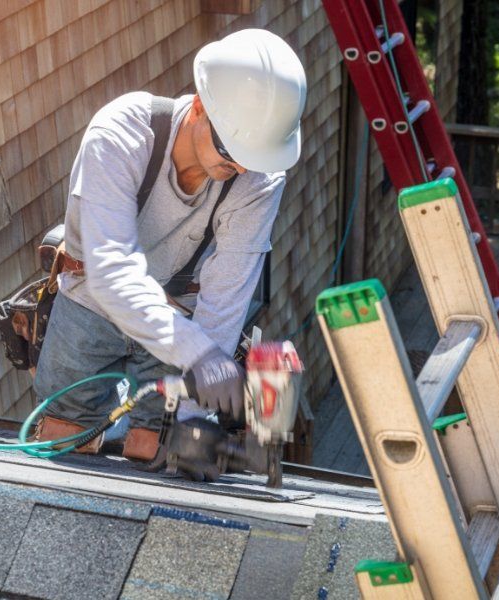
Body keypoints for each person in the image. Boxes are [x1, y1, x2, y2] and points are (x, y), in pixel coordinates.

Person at [32, 29, 307, 461]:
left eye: (251, 159)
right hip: (91, 302)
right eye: (230, 150)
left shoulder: (257, 178)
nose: (238, 168)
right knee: (65, 439)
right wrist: (198, 354)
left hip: (178, 315)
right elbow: (112, 273)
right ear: (200, 105)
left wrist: (195, 418)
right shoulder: (121, 134)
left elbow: (225, 297)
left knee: (156, 449)